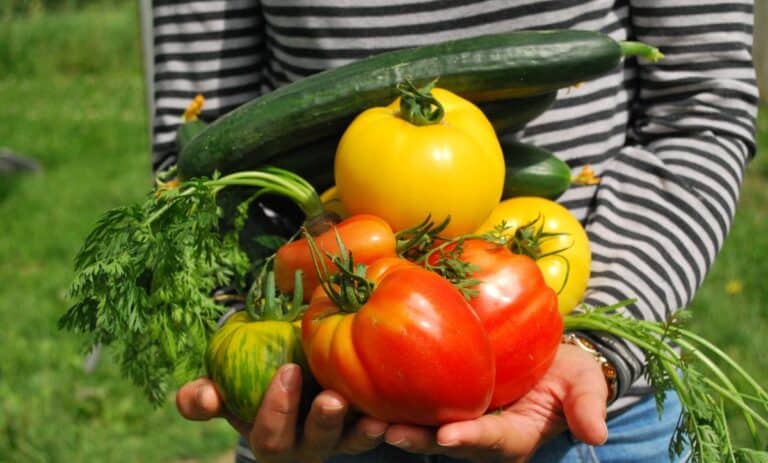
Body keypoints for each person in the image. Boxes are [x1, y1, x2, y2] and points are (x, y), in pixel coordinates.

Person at [149, 1, 758, 462]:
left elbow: (701, 110)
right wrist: (246, 339)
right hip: (318, 389)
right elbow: (197, 158)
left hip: (590, 411)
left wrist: (598, 346)